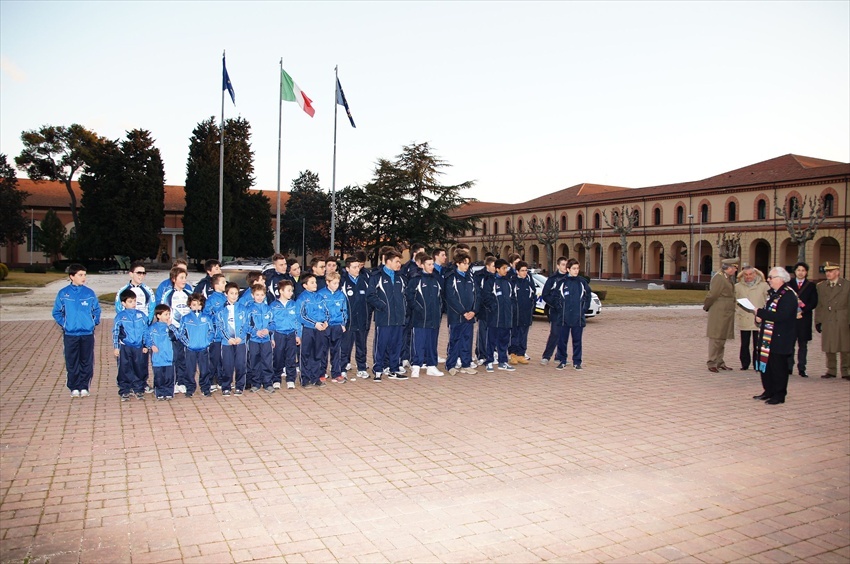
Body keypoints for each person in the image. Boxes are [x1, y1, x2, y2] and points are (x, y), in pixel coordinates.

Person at [53, 264, 101, 398]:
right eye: (80, 275)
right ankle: (74, 387)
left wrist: (93, 323)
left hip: (87, 333)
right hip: (70, 334)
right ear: (72, 276)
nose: (83, 277)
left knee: (86, 361)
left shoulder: (89, 293)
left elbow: (97, 310)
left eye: (85, 275)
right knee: (72, 361)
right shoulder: (63, 293)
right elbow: (56, 312)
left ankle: (84, 386)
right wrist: (65, 324)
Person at [753, 267, 798, 404]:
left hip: (780, 337)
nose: (768, 280)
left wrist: (761, 313)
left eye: (771, 277)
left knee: (778, 367)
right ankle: (769, 390)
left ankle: (779, 394)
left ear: (780, 279)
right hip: (768, 336)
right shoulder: (774, 294)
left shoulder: (788, 295)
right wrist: (759, 317)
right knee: (767, 365)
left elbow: (782, 316)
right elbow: (769, 312)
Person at [115, 260, 155, 393]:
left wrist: (145, 326)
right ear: (131, 274)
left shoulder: (148, 290)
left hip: (141, 329)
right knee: (126, 361)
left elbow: (151, 309)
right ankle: (127, 384)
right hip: (127, 332)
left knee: (142, 359)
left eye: (143, 273)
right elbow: (119, 310)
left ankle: (142, 383)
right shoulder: (123, 291)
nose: (141, 275)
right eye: (139, 273)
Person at [367, 250, 408, 381]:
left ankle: (393, 369)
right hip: (384, 318)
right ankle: (378, 370)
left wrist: (403, 310)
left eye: (400, 262)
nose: (399, 264)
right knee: (381, 344)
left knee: (396, 344)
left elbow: (405, 296)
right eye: (397, 261)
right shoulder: (376, 277)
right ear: (388, 261)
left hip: (398, 318)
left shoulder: (400, 278)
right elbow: (370, 295)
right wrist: (383, 306)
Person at [546, 258, 592, 370]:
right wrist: (560, 309)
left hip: (577, 317)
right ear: (568, 269)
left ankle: (577, 362)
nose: (576, 271)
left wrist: (583, 310)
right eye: (574, 268)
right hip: (564, 318)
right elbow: (555, 297)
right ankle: (562, 360)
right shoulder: (562, 282)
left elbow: (588, 297)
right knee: (562, 340)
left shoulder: (582, 282)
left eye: (577, 268)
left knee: (577, 341)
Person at [406, 254, 444, 377]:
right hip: (420, 319)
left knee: (432, 343)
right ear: (422, 265)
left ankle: (431, 366)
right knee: (419, 342)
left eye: (432, 264)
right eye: (429, 264)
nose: (432, 266)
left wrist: (439, 311)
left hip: (434, 318)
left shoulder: (437, 279)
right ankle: (416, 366)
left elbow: (442, 297)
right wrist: (419, 309)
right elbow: (409, 297)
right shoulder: (415, 279)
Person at [444, 251, 478, 376]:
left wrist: (473, 311)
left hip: (470, 317)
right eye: (464, 263)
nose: (466, 266)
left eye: (468, 263)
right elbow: (451, 298)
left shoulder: (471, 278)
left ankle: (466, 364)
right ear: (458, 263)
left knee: (467, 341)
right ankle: (450, 365)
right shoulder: (451, 277)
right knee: (455, 341)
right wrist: (463, 312)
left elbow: (477, 295)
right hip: (456, 316)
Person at [113, 289, 151, 401]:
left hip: (138, 346)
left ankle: (139, 389)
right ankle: (125, 390)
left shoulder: (141, 315)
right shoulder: (120, 316)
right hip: (125, 346)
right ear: (123, 303)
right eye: (130, 301)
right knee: (124, 368)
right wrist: (116, 347)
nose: (133, 303)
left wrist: (146, 345)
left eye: (134, 301)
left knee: (139, 367)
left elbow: (146, 331)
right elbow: (115, 332)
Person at [160, 266, 193, 394]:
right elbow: (163, 310)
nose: (184, 280)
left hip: (186, 330)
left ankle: (181, 381)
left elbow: (194, 309)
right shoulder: (168, 294)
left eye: (185, 278)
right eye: (181, 278)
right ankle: (171, 382)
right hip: (173, 330)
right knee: (173, 356)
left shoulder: (189, 293)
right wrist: (168, 325)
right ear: (174, 279)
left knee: (183, 357)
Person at [815, 262, 850, 380]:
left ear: (837, 272)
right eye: (826, 271)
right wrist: (818, 321)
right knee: (829, 345)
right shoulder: (821, 286)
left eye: (830, 271)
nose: (828, 274)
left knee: (845, 346)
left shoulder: (847, 285)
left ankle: (846, 371)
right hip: (828, 318)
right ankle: (831, 370)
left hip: (842, 318)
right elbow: (819, 305)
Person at [481, 259, 517, 373]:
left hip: (506, 317)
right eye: (503, 268)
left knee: (504, 339)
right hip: (494, 317)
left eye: (506, 268)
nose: (506, 270)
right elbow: (486, 297)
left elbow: (513, 297)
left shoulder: (508, 282)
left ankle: (503, 361)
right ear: (497, 269)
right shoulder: (490, 281)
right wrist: (493, 307)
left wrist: (511, 308)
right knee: (491, 340)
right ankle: (489, 361)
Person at [704, 258, 738, 372]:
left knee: (722, 337)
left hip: (726, 311)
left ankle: (719, 361)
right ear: (729, 268)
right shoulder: (719, 278)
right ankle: (712, 362)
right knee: (716, 337)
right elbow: (713, 294)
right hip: (719, 311)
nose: (736, 270)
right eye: (735, 268)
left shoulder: (727, 277)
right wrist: (707, 306)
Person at [296, 273, 330, 387]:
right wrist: (314, 324)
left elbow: (326, 311)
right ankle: (305, 379)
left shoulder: (319, 297)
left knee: (317, 353)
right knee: (306, 354)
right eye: (312, 282)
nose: (315, 284)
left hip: (320, 329)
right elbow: (301, 315)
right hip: (308, 330)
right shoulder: (302, 299)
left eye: (315, 282)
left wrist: (325, 321)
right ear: (305, 285)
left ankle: (315, 378)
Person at [215, 282, 249, 396]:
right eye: (231, 293)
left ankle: (239, 386)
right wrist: (228, 338)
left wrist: (240, 337)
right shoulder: (221, 310)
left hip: (240, 341)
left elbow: (246, 324)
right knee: (227, 365)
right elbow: (220, 326)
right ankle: (226, 386)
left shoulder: (243, 309)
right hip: (227, 342)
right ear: (226, 294)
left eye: (236, 293)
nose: (234, 296)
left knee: (240, 364)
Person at [179, 293, 215, 398]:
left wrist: (207, 342)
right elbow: (181, 333)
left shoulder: (207, 318)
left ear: (202, 305)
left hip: (203, 348)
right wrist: (188, 343)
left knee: (204, 369)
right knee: (190, 369)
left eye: (199, 304)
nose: (196, 307)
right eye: (194, 304)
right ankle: (190, 388)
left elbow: (212, 331)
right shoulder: (185, 318)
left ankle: (205, 388)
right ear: (190, 305)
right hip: (190, 349)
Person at [340, 256, 370, 380]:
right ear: (347, 269)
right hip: (348, 321)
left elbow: (370, 298)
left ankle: (361, 368)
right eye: (354, 267)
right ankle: (342, 369)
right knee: (345, 346)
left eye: (358, 267)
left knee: (361, 345)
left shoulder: (365, 280)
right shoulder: (342, 282)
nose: (357, 269)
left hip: (362, 319)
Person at [735, 265, 769, 371]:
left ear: (755, 274)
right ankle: (745, 363)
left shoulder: (764, 286)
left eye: (750, 274)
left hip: (758, 319)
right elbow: (734, 301)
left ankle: (757, 363)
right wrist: (738, 310)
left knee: (757, 344)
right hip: (744, 317)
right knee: (744, 343)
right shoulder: (738, 286)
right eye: (746, 274)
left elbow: (768, 300)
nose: (748, 276)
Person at [788, 262, 818, 377]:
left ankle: (802, 368)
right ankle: (788, 367)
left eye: (803, 270)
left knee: (803, 345)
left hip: (804, 319)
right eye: (798, 270)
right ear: (795, 271)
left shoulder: (811, 286)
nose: (800, 272)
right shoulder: (789, 284)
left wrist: (803, 310)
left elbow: (814, 302)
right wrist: (793, 311)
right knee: (790, 344)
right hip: (791, 318)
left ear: (806, 272)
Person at [270, 280, 301, 390]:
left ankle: (291, 379)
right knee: (278, 357)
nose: (291, 293)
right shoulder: (273, 306)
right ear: (281, 291)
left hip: (291, 334)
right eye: (288, 290)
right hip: (278, 334)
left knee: (291, 357)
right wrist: (272, 337)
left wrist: (298, 335)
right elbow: (271, 322)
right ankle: (276, 379)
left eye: (292, 291)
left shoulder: (294, 304)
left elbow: (297, 320)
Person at [319, 271, 349, 383]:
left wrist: (343, 324)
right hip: (325, 326)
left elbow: (344, 310)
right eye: (334, 283)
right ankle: (321, 373)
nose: (336, 285)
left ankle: (336, 373)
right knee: (323, 350)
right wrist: (323, 321)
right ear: (327, 282)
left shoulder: (341, 295)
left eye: (338, 283)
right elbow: (319, 310)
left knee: (336, 351)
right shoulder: (320, 294)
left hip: (337, 326)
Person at [245, 283, 275, 393]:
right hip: (254, 340)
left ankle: (268, 383)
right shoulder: (249, 309)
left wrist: (268, 330)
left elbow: (273, 323)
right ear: (252, 295)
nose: (259, 297)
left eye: (262, 295)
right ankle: (256, 383)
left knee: (267, 361)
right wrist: (255, 332)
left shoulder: (268, 309)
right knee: (254, 362)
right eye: (257, 295)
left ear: (265, 296)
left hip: (266, 340)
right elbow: (246, 325)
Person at [539, 257, 569, 365]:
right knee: (555, 333)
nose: (565, 267)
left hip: (567, 312)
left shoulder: (570, 279)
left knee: (564, 334)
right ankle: (546, 356)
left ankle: (560, 356)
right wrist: (555, 305)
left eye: (566, 265)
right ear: (558, 266)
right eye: (563, 264)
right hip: (555, 311)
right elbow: (545, 295)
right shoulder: (552, 279)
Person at [203, 273, 228, 391]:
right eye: (223, 282)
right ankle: (210, 380)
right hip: (215, 335)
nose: (225, 284)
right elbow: (206, 315)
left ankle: (220, 379)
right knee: (214, 358)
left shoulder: (225, 297)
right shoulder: (211, 299)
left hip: (225, 335)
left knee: (222, 359)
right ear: (216, 285)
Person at [147, 305, 176, 400]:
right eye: (166, 314)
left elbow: (177, 336)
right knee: (158, 376)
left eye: (169, 314)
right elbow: (147, 338)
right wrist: (151, 345)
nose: (168, 316)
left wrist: (170, 327)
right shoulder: (152, 328)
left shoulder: (170, 327)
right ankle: (159, 392)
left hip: (168, 356)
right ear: (158, 316)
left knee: (169, 376)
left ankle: (168, 392)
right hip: (157, 357)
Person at [509, 261, 536, 365]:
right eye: (522, 270)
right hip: (516, 315)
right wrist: (513, 310)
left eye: (526, 270)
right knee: (515, 335)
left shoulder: (529, 283)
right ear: (517, 271)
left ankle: (521, 354)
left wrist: (531, 309)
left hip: (526, 314)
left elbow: (533, 297)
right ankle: (513, 354)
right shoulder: (513, 282)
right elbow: (510, 298)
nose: (524, 273)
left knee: (524, 335)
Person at [474, 256, 496, 365]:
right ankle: (481, 354)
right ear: (487, 266)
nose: (495, 268)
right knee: (483, 333)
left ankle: (491, 352)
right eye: (493, 266)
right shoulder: (479, 276)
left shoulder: (496, 276)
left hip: (493, 310)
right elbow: (479, 293)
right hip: (483, 309)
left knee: (492, 332)